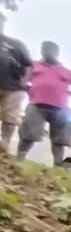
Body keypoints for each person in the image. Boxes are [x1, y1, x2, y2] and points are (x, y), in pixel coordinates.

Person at [17, 41, 71, 166]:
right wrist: (26, 86)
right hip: (36, 104)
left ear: (57, 53)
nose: (46, 52)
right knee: (29, 133)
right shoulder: (33, 65)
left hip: (61, 109)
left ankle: (57, 165)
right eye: (44, 49)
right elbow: (23, 79)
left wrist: (70, 93)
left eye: (50, 50)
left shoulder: (68, 72)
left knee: (59, 139)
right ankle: (20, 158)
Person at [0, 18, 31, 151]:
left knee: (10, 117)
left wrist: (25, 81)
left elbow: (29, 64)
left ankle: (4, 145)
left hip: (13, 87)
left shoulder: (16, 44)